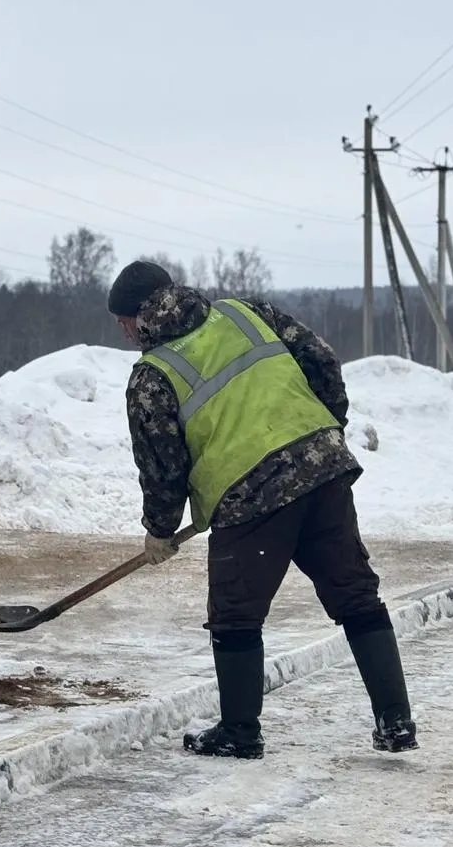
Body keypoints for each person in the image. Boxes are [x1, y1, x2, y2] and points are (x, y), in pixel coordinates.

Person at [107, 260, 416, 758]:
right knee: (356, 596)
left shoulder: (152, 375)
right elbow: (321, 359)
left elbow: (162, 463)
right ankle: (396, 721)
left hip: (249, 495)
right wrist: (323, 432)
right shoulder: (246, 313)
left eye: (123, 321)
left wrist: (160, 528)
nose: (122, 332)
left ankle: (239, 732)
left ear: (141, 316)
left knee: (235, 615)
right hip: (322, 470)